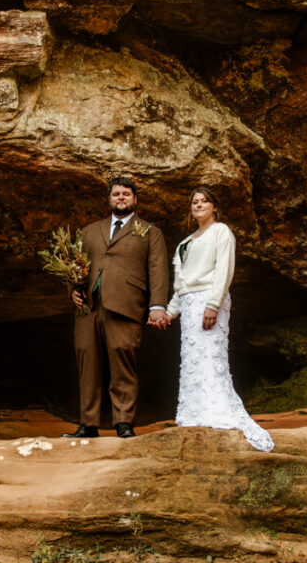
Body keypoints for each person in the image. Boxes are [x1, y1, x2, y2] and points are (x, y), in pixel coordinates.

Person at [157, 187, 274, 452]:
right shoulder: (184, 244)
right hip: (188, 306)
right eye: (194, 201)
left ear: (215, 207)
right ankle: (195, 413)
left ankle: (217, 411)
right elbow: (180, 285)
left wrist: (212, 305)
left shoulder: (221, 232)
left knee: (211, 356)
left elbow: (224, 269)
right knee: (192, 360)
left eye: (204, 201)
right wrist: (169, 312)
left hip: (210, 301)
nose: (198, 205)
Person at [64, 177, 170, 439]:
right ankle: (88, 423)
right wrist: (72, 291)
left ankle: (123, 422)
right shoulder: (89, 231)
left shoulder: (150, 232)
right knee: (87, 364)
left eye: (126, 194)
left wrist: (157, 305)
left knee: (124, 363)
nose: (120, 198)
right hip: (88, 307)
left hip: (126, 306)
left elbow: (158, 271)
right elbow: (73, 265)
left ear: (135, 199)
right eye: (116, 194)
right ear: (108, 199)